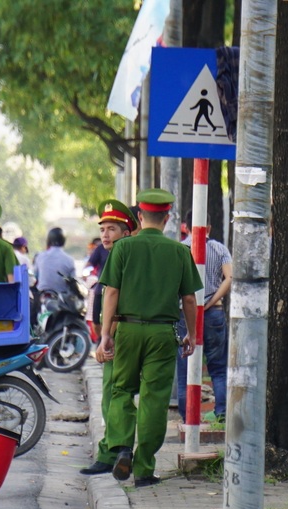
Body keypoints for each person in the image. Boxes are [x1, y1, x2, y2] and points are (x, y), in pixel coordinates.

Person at [92, 189, 201, 487]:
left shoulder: (123, 249)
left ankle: (122, 445)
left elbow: (110, 292)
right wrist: (191, 334)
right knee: (154, 398)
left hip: (127, 330)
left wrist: (105, 335)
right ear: (166, 218)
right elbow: (189, 299)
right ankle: (144, 469)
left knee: (121, 390)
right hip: (163, 333)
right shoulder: (180, 251)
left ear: (140, 216)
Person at [80, 199, 136, 477]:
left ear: (126, 232)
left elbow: (117, 299)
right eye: (103, 229)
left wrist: (106, 337)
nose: (105, 234)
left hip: (118, 335)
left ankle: (114, 451)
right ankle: (117, 449)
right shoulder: (113, 255)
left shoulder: (121, 256)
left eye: (112, 229)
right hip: (119, 333)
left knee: (114, 395)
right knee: (116, 395)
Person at [175, 212, 232, 423]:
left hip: (183, 313)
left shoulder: (180, 249)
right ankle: (222, 413)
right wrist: (211, 300)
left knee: (184, 369)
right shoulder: (219, 249)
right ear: (208, 226)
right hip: (214, 312)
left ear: (186, 227)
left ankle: (187, 416)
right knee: (218, 368)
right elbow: (230, 277)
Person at [33, 227, 75, 297]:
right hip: (62, 297)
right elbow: (73, 280)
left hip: (42, 295)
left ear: (49, 240)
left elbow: (36, 275)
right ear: (63, 240)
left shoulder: (40, 256)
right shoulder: (69, 259)